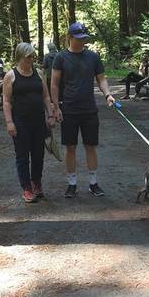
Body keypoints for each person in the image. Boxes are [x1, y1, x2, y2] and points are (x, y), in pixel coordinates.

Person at [51, 22, 116, 198]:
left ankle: (93, 183)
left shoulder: (93, 57)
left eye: (84, 38)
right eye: (79, 39)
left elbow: (101, 79)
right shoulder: (61, 57)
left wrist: (108, 94)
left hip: (89, 110)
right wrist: (55, 107)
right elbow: (54, 84)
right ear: (70, 38)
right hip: (69, 109)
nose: (82, 42)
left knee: (90, 146)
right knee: (70, 147)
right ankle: (72, 184)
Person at [2, 43, 55, 203]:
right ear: (20, 57)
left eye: (33, 56)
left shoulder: (39, 73)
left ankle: (36, 183)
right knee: (22, 156)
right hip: (20, 122)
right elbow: (6, 101)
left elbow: (46, 96)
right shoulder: (10, 76)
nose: (32, 59)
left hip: (39, 121)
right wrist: (9, 122)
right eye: (28, 57)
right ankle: (26, 188)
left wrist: (50, 115)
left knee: (39, 155)